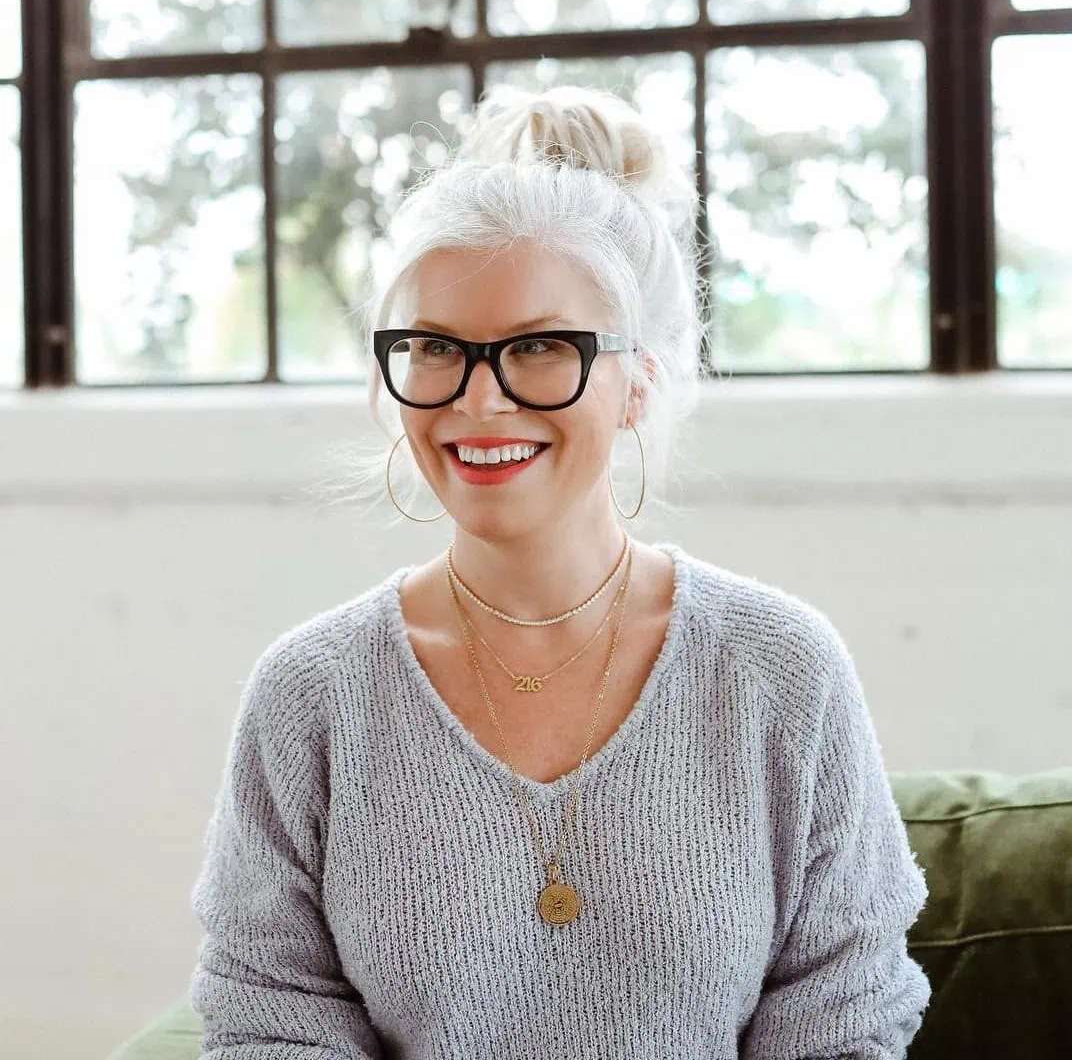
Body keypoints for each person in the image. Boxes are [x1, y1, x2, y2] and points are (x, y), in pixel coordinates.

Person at [189, 84, 931, 1058]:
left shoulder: (779, 668)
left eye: (540, 347)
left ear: (637, 382)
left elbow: (845, 1014)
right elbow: (267, 1017)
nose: (479, 398)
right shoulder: (311, 694)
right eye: (434, 348)